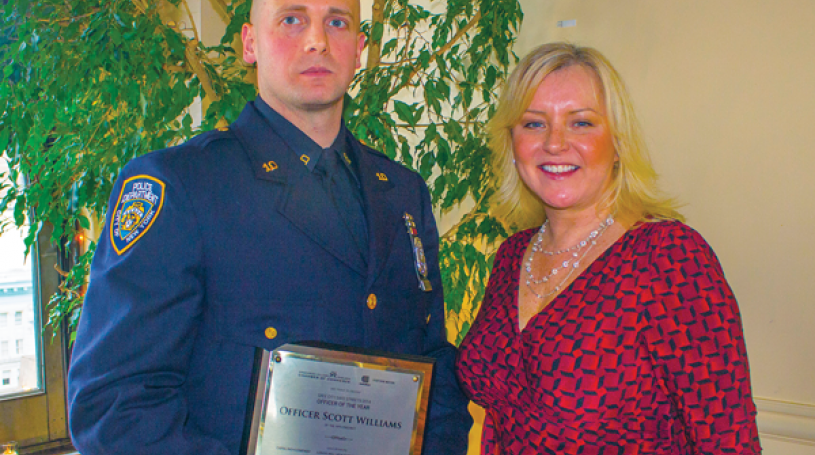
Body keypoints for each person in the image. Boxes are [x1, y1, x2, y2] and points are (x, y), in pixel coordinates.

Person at [66, 0, 472, 453]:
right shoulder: (182, 186)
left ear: (359, 49)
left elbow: (432, 366)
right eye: (292, 19)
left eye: (337, 22)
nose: (317, 40)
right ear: (250, 43)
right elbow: (114, 406)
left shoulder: (402, 192)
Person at [456, 42, 761, 454]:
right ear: (512, 143)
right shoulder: (512, 257)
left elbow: (728, 441)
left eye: (581, 123)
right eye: (533, 123)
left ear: (617, 142)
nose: (555, 143)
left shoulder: (668, 258)